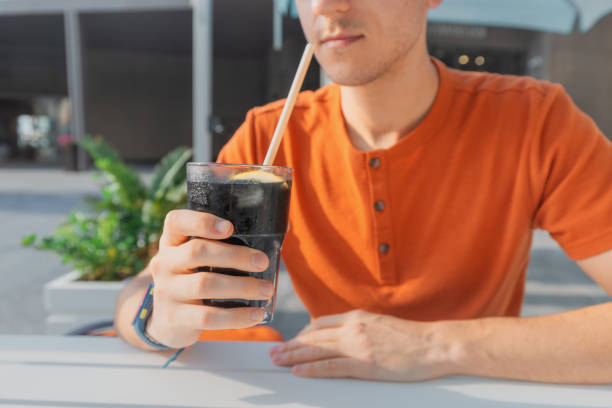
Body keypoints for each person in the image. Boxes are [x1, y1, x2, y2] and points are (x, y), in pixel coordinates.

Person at [115, 0, 612, 383]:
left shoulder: (534, 120)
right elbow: (141, 294)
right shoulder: (267, 140)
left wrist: (437, 346)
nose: (327, 6)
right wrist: (160, 318)